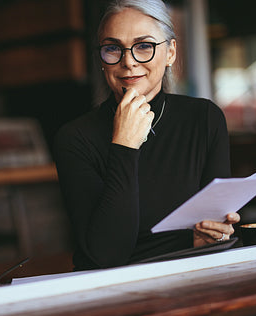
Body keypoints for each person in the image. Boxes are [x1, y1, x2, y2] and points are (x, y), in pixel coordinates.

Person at [53, 0, 240, 271]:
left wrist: (210, 239)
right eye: (113, 48)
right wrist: (125, 146)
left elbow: (215, 233)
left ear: (171, 52)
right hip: (110, 296)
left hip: (188, 283)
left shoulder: (204, 119)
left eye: (144, 46)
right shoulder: (74, 138)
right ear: (101, 58)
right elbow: (105, 255)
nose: (128, 62)